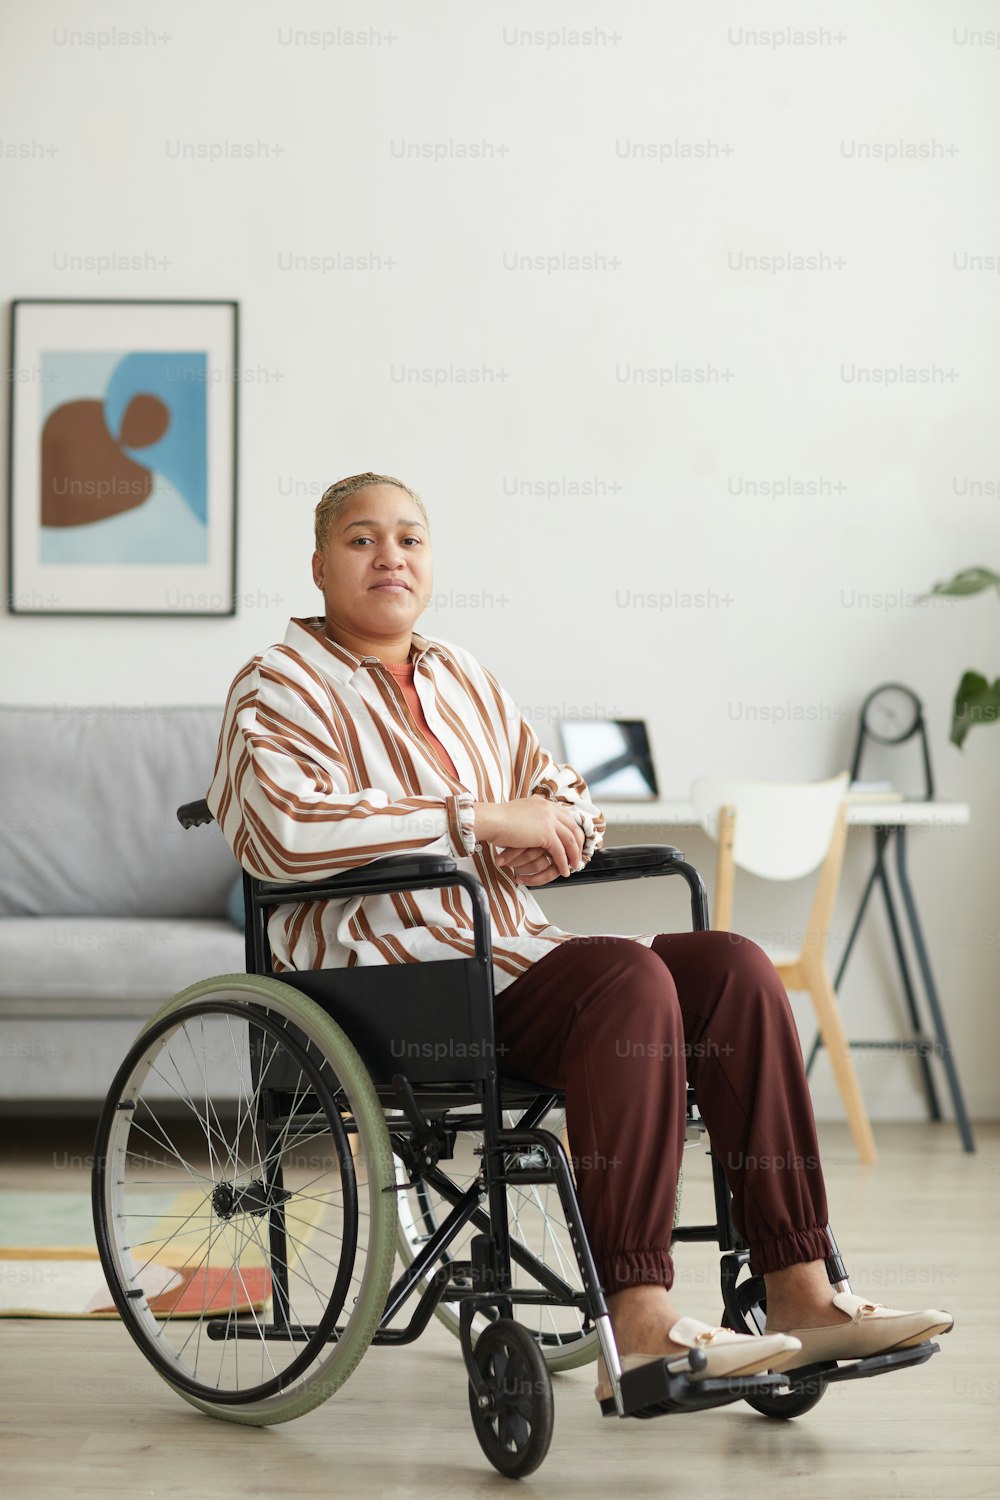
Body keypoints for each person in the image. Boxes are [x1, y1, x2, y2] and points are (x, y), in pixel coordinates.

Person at [207, 470, 953, 1406]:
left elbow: (561, 789)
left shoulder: (463, 676)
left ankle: (800, 1288)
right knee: (625, 975)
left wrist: (553, 836)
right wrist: (477, 820)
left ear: (431, 562)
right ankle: (638, 1321)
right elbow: (285, 828)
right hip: (392, 982)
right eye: (362, 540)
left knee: (733, 967)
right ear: (319, 566)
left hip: (511, 958)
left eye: (410, 538)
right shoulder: (276, 685)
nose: (390, 555)